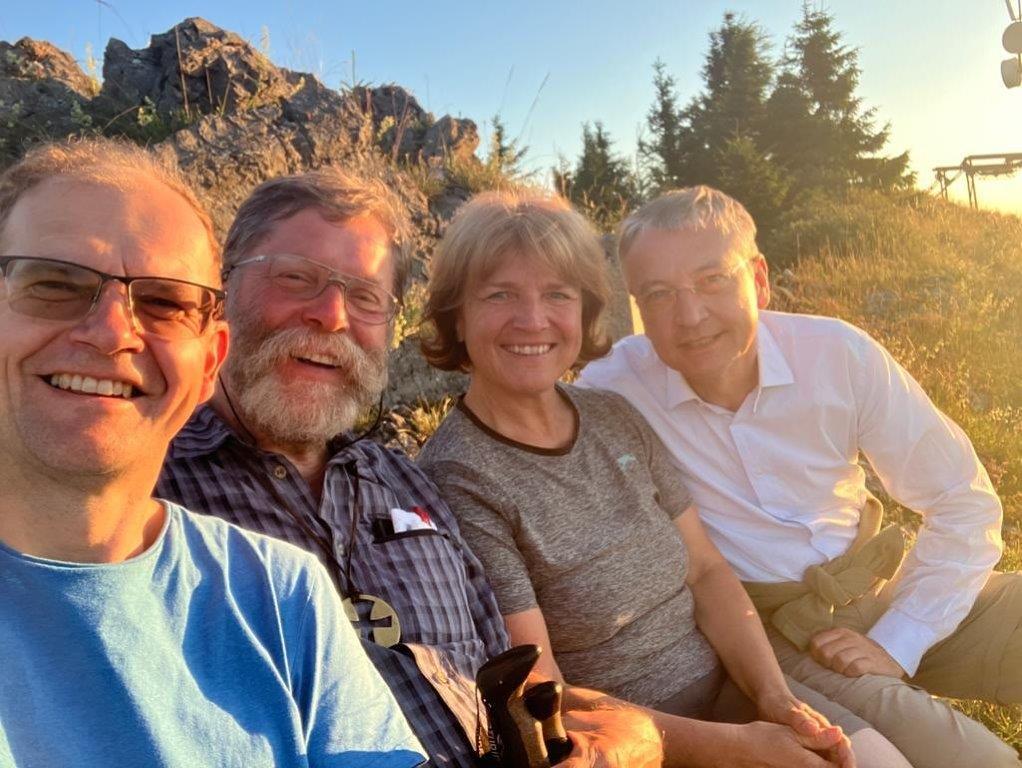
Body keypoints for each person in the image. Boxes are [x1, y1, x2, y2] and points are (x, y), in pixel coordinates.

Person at [156, 168, 663, 768]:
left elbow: (509, 680)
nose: (332, 315)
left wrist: (631, 734)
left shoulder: (405, 482)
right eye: (296, 278)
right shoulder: (146, 487)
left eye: (365, 297)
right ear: (221, 289)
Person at [416, 189, 912, 768]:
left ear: (584, 311)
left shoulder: (613, 415)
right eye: (499, 294)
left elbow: (705, 569)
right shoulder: (459, 478)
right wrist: (738, 748)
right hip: (620, 742)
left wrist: (774, 699)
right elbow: (541, 687)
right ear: (456, 315)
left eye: (557, 294)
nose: (533, 320)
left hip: (734, 689)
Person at [0, 139, 425, 768]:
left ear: (208, 361)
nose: (113, 332)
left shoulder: (284, 594)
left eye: (163, 302)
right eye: (54, 284)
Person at [576, 185, 1022, 767]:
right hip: (779, 633)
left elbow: (962, 499)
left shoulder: (836, 355)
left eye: (713, 280)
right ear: (637, 304)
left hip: (880, 582)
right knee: (979, 763)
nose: (690, 316)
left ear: (759, 280)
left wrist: (900, 638)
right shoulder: (614, 389)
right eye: (659, 294)